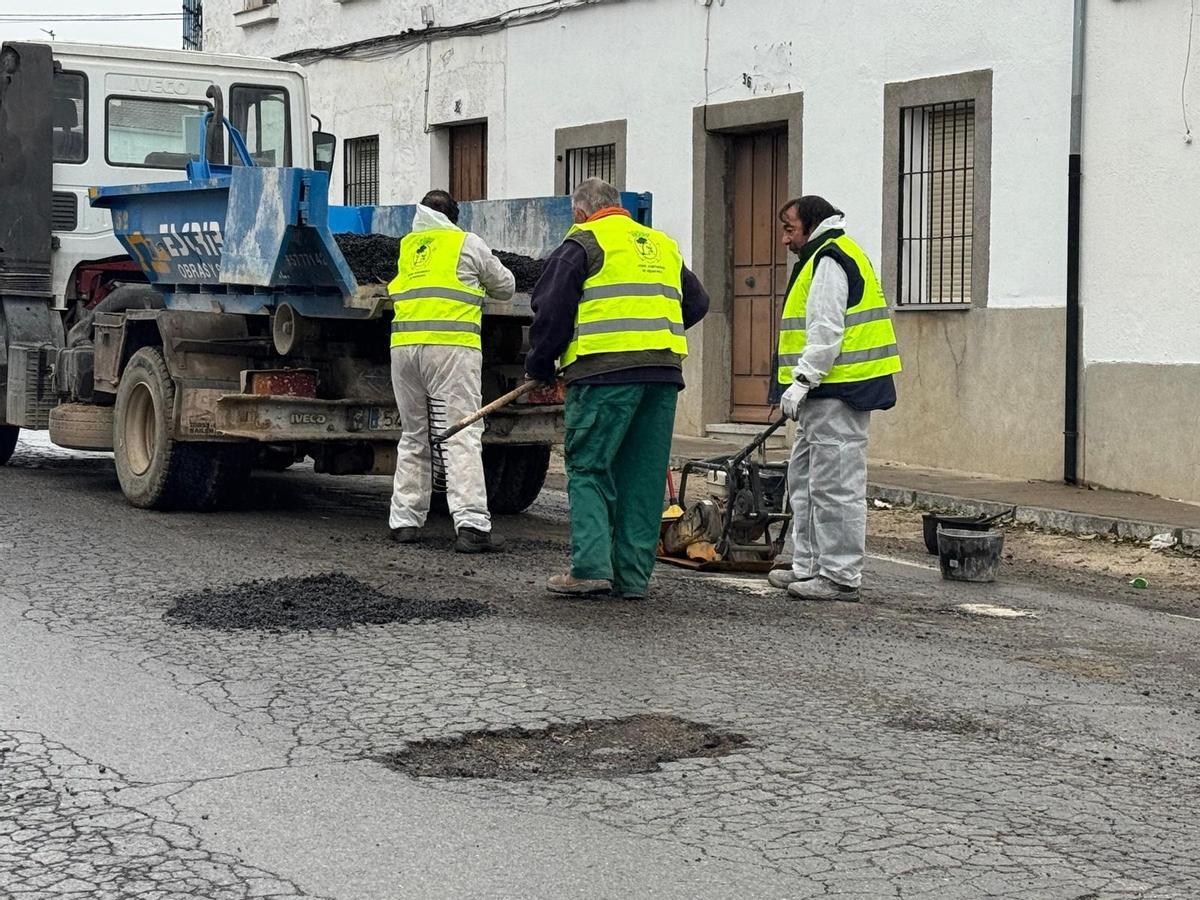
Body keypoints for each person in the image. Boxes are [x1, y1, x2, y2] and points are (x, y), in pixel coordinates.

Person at [525, 177, 709, 598]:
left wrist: (540, 365)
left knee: (589, 467)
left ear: (580, 212)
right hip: (661, 375)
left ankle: (590, 567)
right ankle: (632, 579)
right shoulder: (660, 245)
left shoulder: (581, 245)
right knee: (642, 479)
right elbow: (697, 303)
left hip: (603, 376)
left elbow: (550, 311)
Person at [768, 196, 902, 601]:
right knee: (806, 482)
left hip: (837, 391)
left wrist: (802, 381)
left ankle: (840, 576)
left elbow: (826, 329)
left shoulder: (829, 260)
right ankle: (809, 567)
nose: (785, 239)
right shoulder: (827, 256)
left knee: (836, 484)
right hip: (828, 392)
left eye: (790, 229)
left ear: (811, 225)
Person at [387, 189, 515, 553]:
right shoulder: (467, 243)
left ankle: (404, 521)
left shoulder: (409, 247)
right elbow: (506, 287)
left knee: (414, 434)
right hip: (450, 350)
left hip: (404, 350)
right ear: (453, 218)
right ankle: (472, 525)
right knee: (461, 432)